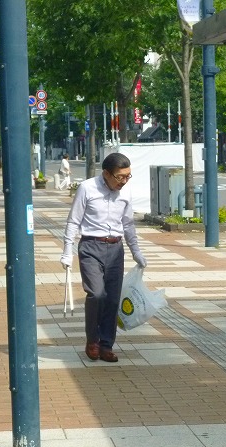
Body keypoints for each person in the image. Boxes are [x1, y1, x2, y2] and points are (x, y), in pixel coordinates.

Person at [60, 152, 147, 363]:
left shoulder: (125, 192)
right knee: (97, 294)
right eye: (120, 177)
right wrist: (67, 251)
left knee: (112, 299)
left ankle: (106, 344)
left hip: (116, 248)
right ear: (106, 173)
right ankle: (93, 340)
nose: (124, 181)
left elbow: (128, 224)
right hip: (91, 247)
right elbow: (73, 221)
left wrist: (136, 251)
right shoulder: (87, 188)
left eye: (128, 176)